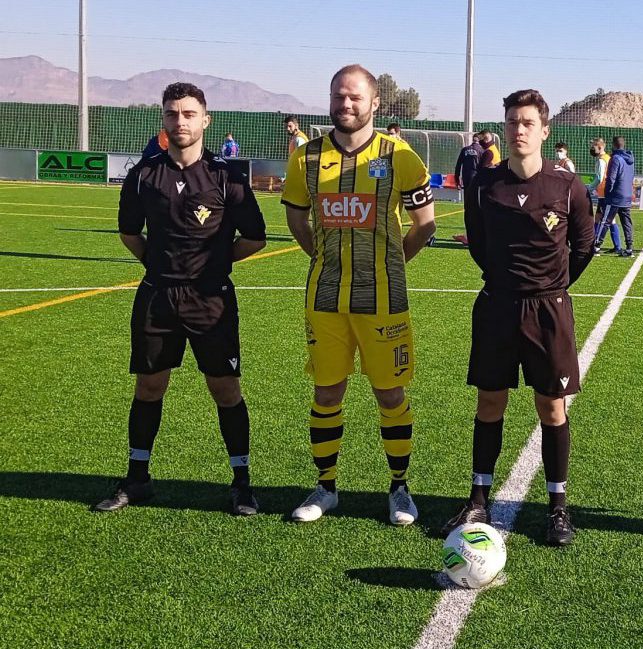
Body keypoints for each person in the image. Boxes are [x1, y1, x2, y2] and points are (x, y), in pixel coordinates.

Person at [95, 82, 267, 515]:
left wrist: (215, 264)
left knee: (225, 389)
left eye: (189, 114)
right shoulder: (144, 175)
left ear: (206, 120)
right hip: (157, 297)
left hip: (211, 300)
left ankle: (242, 483)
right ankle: (137, 479)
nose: (181, 121)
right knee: (150, 386)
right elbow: (129, 234)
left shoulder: (226, 177)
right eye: (173, 114)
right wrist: (159, 266)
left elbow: (256, 237)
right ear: (164, 120)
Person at [281, 64, 438, 525]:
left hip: (383, 300)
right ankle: (325, 487)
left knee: (390, 394)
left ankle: (399, 489)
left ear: (374, 104)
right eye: (337, 96)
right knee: (327, 391)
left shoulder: (400, 156)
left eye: (354, 97)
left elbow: (424, 224)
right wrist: (322, 259)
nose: (345, 105)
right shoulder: (305, 158)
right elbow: (296, 219)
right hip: (324, 299)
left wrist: (391, 265)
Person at [441, 89, 595, 546]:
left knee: (551, 408)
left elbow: (584, 247)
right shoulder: (485, 185)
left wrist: (553, 286)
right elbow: (480, 244)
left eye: (527, 122)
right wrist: (505, 281)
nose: (519, 129)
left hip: (549, 310)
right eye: (512, 122)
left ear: (545, 131)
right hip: (497, 307)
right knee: (490, 402)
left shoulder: (569, 186)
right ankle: (478, 498)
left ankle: (558, 508)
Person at [600, 136, 636, 257]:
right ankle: (630, 248)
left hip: (615, 196)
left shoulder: (615, 158)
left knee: (605, 220)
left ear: (614, 145)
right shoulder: (630, 159)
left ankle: (596, 245)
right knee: (627, 222)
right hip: (626, 195)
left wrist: (607, 192)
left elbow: (611, 178)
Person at [588, 137, 616, 253]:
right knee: (600, 218)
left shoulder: (601, 160)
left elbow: (599, 177)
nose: (592, 149)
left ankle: (596, 245)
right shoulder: (608, 158)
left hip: (604, 193)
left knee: (606, 219)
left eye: (593, 147)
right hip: (605, 193)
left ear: (600, 147)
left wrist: (589, 188)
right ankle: (594, 242)